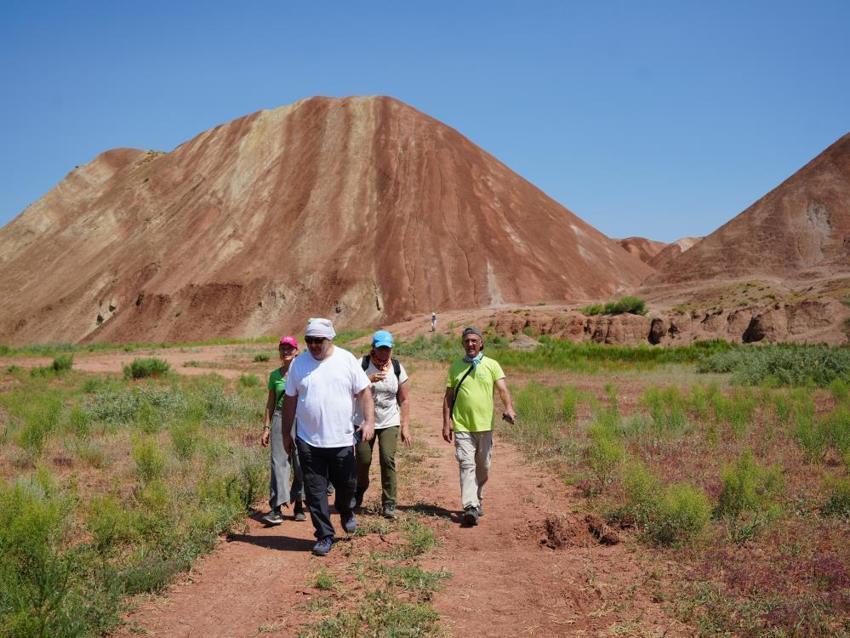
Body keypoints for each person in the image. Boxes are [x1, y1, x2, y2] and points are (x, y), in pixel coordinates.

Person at [282, 318, 375, 556]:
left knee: (347, 485)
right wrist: (286, 433)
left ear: (329, 338)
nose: (313, 345)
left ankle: (345, 510)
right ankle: (324, 534)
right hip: (308, 440)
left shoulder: (346, 360)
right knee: (315, 492)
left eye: (318, 340)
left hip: (342, 439)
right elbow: (290, 399)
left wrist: (369, 421)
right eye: (309, 340)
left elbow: (364, 392)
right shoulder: (298, 365)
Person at [442, 326, 516, 527]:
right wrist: (446, 423)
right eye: (466, 341)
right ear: (462, 344)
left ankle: (478, 497)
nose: (470, 344)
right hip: (463, 426)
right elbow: (448, 397)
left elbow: (502, 389)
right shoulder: (456, 367)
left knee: (483, 466)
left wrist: (508, 408)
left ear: (481, 343)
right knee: (467, 465)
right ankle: (470, 506)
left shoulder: (492, 365)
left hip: (485, 426)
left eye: (474, 340)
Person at [353, 330, 411, 519]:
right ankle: (359, 489)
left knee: (387, 459)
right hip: (363, 421)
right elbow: (348, 390)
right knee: (363, 460)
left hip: (389, 421)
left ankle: (389, 503)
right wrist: (367, 380)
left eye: (387, 348)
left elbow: (404, 399)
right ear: (373, 348)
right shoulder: (361, 365)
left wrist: (405, 426)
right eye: (381, 348)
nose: (384, 352)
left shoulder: (396, 367)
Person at [260, 336, 306, 524]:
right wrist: (266, 428)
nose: (286, 351)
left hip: (301, 418)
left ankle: (299, 504)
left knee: (300, 462)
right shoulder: (275, 376)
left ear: (297, 351)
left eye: (290, 348)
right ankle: (276, 508)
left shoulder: (304, 373)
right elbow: (270, 403)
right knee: (278, 462)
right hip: (280, 416)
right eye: (283, 348)